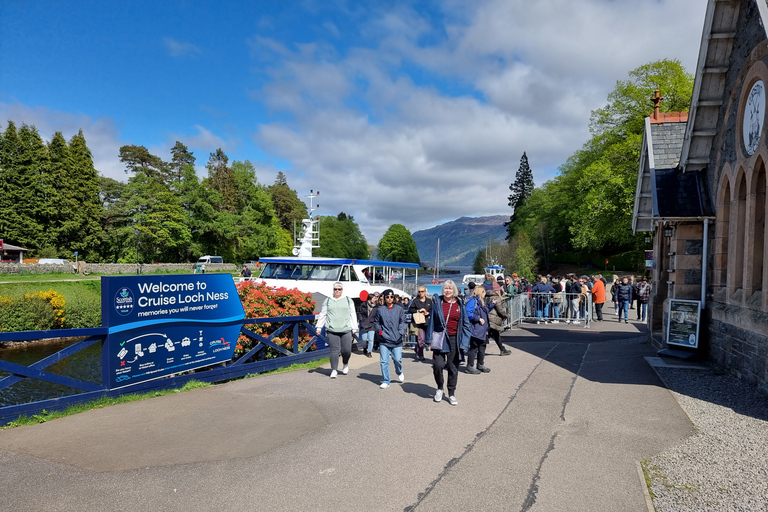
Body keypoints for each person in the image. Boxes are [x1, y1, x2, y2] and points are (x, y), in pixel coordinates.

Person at [425, 280, 471, 406]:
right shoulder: (437, 302)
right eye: (446, 288)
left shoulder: (460, 304)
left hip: (454, 339)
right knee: (438, 365)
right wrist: (428, 340)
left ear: (454, 290)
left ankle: (451, 393)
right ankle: (440, 388)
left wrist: (465, 343)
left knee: (452, 367)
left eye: (450, 289)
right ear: (443, 290)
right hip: (439, 337)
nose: (448, 291)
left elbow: (466, 325)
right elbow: (432, 322)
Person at [315, 282, 359, 378]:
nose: (337, 291)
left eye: (339, 289)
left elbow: (353, 314)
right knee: (334, 350)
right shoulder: (327, 301)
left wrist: (354, 327)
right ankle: (334, 370)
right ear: (333, 290)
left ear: (342, 290)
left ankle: (345, 363)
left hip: (346, 329)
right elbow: (323, 314)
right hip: (332, 329)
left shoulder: (348, 300)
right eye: (336, 289)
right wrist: (319, 327)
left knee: (346, 350)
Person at [374, 289, 406, 389]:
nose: (389, 298)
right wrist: (380, 332)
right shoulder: (380, 309)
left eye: (391, 297)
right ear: (384, 297)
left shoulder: (399, 309)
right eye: (387, 297)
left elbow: (402, 322)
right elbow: (376, 322)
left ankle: (399, 371)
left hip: (396, 339)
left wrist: (400, 332)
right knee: (384, 361)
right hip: (384, 339)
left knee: (397, 359)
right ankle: (386, 380)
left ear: (394, 298)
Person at [465, 286, 494, 374]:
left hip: (482, 329)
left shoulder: (480, 301)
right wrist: (478, 318)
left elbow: (485, 311)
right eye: (484, 292)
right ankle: (470, 366)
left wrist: (492, 304)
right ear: (480, 292)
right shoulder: (473, 301)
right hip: (476, 329)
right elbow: (468, 312)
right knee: (474, 348)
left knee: (482, 347)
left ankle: (480, 364)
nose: (485, 294)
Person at [408, 286, 433, 361]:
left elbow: (432, 310)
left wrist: (428, 312)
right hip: (419, 322)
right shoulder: (416, 300)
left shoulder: (429, 301)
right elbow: (410, 309)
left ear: (425, 292)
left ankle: (417, 349)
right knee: (420, 339)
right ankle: (421, 354)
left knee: (426, 339)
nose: (420, 293)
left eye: (422, 291)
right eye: (419, 291)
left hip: (427, 322)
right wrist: (418, 311)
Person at [487, 284, 511, 355]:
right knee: (488, 336)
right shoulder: (496, 298)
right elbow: (499, 309)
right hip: (493, 318)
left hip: (488, 317)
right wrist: (504, 315)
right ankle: (476, 351)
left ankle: (502, 349)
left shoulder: (486, 296)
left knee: (495, 334)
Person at [358, 291, 379, 358]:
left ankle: (369, 351)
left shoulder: (376, 306)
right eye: (374, 298)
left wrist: (376, 321)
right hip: (364, 323)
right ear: (370, 299)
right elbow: (360, 313)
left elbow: (377, 315)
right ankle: (364, 348)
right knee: (364, 339)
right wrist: (361, 319)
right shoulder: (363, 305)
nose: (375, 299)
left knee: (371, 339)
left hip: (372, 324)